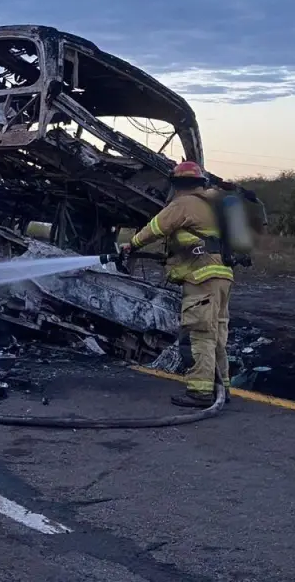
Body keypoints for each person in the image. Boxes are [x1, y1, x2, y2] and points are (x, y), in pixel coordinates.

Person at [121, 160, 234, 407]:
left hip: (201, 277)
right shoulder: (213, 206)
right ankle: (222, 388)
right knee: (215, 335)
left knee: (199, 334)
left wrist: (132, 245)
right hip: (222, 277)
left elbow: (157, 226)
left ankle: (200, 393)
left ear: (178, 184)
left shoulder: (184, 203)